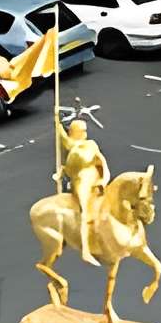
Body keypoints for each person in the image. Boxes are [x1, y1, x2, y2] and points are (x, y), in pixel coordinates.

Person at [57, 113, 110, 267]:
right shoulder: (73, 145)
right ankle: (86, 250)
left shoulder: (91, 144)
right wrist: (58, 124)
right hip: (81, 181)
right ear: (74, 132)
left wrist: (104, 178)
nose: (85, 133)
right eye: (82, 130)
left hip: (94, 177)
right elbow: (64, 140)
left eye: (85, 130)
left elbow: (102, 161)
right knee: (84, 212)